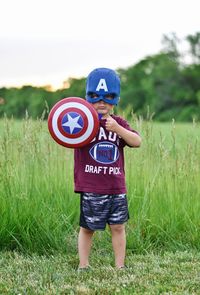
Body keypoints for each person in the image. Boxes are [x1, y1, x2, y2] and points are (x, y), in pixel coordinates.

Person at [74, 68, 141, 270]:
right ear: (88, 98)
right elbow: (65, 135)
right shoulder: (82, 122)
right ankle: (83, 265)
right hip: (92, 186)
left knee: (118, 227)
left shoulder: (119, 122)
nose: (101, 103)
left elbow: (137, 141)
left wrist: (118, 129)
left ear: (115, 100)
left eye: (107, 98)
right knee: (87, 228)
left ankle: (120, 266)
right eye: (95, 98)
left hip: (115, 187)